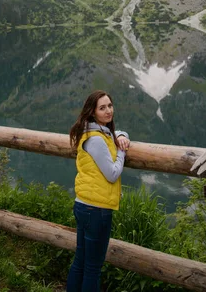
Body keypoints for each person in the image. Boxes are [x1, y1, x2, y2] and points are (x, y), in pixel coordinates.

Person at [66, 90, 130, 292]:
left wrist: (120, 135)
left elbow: (116, 133)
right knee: (93, 267)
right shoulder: (96, 139)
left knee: (81, 261)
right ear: (92, 112)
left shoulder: (95, 132)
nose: (108, 110)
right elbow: (112, 173)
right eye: (102, 108)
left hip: (84, 205)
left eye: (110, 105)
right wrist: (121, 152)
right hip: (97, 210)